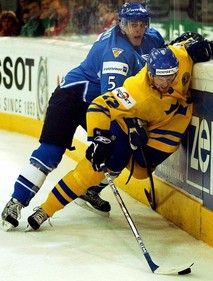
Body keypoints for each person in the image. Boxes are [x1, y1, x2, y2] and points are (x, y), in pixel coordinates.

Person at [0, 2, 166, 231]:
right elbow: (112, 101)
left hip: (100, 101)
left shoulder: (153, 37)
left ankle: (90, 191)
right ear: (121, 24)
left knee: (120, 150)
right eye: (132, 24)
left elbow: (168, 57)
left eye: (141, 24)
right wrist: (105, 135)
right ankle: (16, 202)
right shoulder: (116, 54)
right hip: (72, 97)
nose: (138, 30)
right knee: (51, 152)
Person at [25, 45, 195, 230]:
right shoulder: (136, 91)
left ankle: (99, 183)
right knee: (96, 167)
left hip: (164, 125)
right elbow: (99, 106)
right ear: (150, 73)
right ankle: (46, 209)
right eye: (161, 77)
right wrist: (100, 138)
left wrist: (200, 47)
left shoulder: (180, 60)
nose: (166, 83)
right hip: (125, 124)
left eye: (171, 76)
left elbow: (182, 48)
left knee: (142, 170)